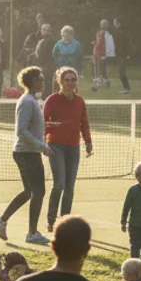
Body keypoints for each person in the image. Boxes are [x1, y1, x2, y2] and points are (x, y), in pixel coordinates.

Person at [0, 67, 51, 245]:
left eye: (42, 79)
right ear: (30, 81)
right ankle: (32, 233)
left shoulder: (33, 101)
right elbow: (21, 130)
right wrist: (42, 146)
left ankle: (1, 220)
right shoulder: (27, 102)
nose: (42, 82)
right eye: (39, 79)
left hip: (29, 152)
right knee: (38, 191)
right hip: (26, 153)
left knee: (29, 191)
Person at [44, 68, 93, 232]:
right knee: (59, 184)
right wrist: (49, 132)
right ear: (60, 81)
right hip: (55, 146)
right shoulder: (52, 100)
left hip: (73, 147)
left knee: (70, 187)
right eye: (67, 80)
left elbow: (84, 123)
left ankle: (64, 222)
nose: (70, 83)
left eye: (73, 80)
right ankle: (51, 221)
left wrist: (88, 142)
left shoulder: (79, 101)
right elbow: (43, 122)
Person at [34, 24, 56, 98]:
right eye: (44, 30)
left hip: (49, 65)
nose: (46, 32)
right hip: (41, 64)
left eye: (48, 30)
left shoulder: (51, 41)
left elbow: (51, 54)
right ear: (41, 31)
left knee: (48, 82)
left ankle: (47, 97)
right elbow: (37, 53)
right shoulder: (38, 40)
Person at [112, 18, 131, 94]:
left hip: (124, 55)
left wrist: (127, 55)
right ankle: (126, 87)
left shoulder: (121, 32)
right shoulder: (120, 32)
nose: (114, 24)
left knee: (121, 70)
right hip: (122, 54)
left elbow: (125, 44)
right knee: (121, 70)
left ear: (118, 23)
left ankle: (126, 88)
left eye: (115, 22)